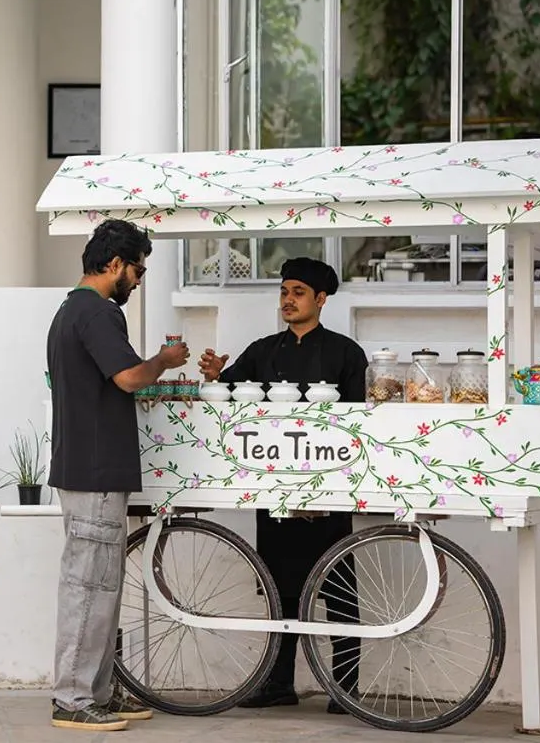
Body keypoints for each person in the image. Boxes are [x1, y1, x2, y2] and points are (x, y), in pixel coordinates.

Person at [197, 256, 366, 713]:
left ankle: (346, 689)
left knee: (337, 588)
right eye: (284, 292)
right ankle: (277, 684)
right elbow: (230, 395)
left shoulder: (347, 353)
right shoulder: (261, 350)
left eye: (298, 293)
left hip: (328, 487)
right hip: (272, 485)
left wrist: (328, 488)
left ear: (321, 299)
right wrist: (214, 374)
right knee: (279, 587)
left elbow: (358, 423)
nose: (288, 300)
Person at [46, 218, 190, 732]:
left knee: (101, 586)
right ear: (114, 265)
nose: (139, 278)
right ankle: (74, 698)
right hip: (95, 471)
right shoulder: (98, 313)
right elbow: (129, 377)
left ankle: (97, 692)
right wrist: (165, 360)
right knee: (89, 586)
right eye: (137, 268)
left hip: (85, 468)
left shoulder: (71, 310)